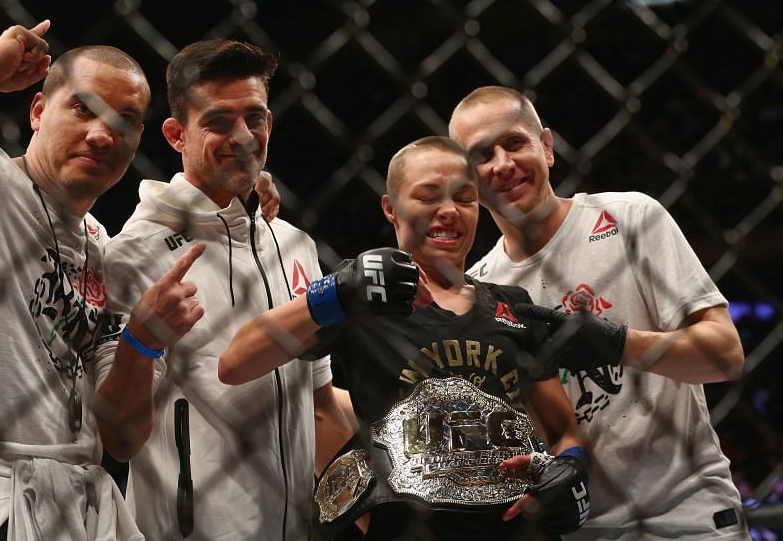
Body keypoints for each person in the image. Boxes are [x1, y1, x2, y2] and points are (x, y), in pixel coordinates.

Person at [220, 136, 594, 541]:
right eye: (428, 197)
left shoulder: (514, 307)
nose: (449, 211)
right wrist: (338, 291)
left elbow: (564, 432)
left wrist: (571, 467)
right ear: (391, 210)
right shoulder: (360, 300)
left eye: (465, 198)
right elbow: (236, 362)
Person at [448, 85, 749, 541]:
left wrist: (620, 343)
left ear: (546, 148)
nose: (503, 164)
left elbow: (726, 355)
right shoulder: (479, 291)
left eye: (514, 143)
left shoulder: (630, 220)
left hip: (688, 517)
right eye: (482, 155)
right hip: (582, 531)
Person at [98, 39, 354, 541]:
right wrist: (142, 340)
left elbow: (319, 403)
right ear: (176, 134)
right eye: (218, 121)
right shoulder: (135, 255)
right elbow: (117, 437)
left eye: (254, 118)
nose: (242, 136)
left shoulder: (294, 245)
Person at [0, 20, 208, 541]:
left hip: (81, 500)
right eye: (83, 108)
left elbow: (123, 438)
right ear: (37, 111)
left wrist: (142, 342)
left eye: (124, 120)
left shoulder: (99, 246)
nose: (102, 134)